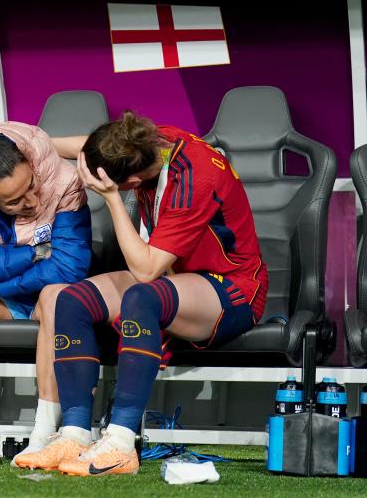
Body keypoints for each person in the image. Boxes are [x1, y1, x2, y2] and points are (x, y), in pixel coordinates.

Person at [14, 111, 268, 476]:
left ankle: (119, 443)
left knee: (141, 297)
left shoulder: (193, 177)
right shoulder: (144, 140)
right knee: (71, 300)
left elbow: (145, 270)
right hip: (176, 278)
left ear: (131, 180)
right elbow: (85, 145)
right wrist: (25, 145)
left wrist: (113, 200)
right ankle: (74, 434)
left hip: (233, 287)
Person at [0, 121, 92, 465]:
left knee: (58, 297)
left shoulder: (64, 180)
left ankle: (43, 436)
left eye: (32, 186)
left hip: (46, 296)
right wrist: (34, 253)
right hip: (4, 297)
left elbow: (69, 266)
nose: (33, 200)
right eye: (14, 201)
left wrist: (3, 276)